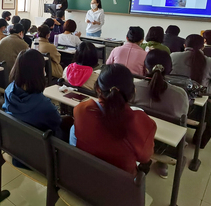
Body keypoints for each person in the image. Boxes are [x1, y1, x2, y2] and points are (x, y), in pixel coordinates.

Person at [71, 64, 157, 175]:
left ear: (98, 89)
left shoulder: (81, 110)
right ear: (133, 91)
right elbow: (145, 158)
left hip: (85, 176)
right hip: (121, 187)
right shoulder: (143, 123)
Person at [132, 49, 189, 179]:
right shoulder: (180, 94)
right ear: (170, 69)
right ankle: (163, 164)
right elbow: (182, 120)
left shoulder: (133, 87)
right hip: (168, 146)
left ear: (145, 66)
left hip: (137, 138)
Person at [3, 49, 62, 163]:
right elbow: (57, 122)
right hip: (37, 157)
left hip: (15, 147)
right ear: (39, 72)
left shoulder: (9, 90)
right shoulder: (44, 106)